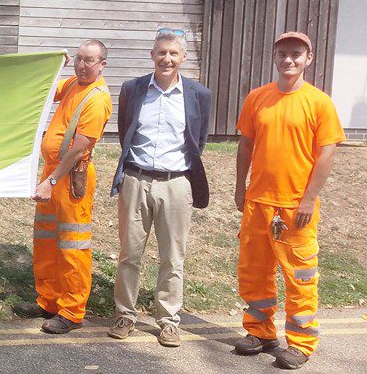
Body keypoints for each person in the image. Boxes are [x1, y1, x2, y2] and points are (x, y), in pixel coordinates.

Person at [233, 32, 345, 370]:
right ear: (274, 57)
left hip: (296, 206)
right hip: (258, 202)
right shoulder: (258, 98)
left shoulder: (319, 102)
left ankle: (300, 343)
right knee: (254, 271)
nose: (288, 60)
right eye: (282, 53)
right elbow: (246, 144)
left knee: (300, 276)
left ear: (308, 59)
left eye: (296, 54)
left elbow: (326, 154)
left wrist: (309, 200)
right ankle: (260, 332)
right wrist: (240, 188)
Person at [107, 30, 212, 347]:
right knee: (129, 253)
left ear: (183, 58)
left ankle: (168, 321)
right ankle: (125, 315)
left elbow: (198, 139)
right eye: (161, 52)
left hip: (176, 184)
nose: (167, 59)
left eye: (173, 53)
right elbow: (126, 131)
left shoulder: (198, 94)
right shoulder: (133, 89)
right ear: (152, 55)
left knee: (173, 257)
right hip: (136, 180)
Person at [14, 40, 113, 334]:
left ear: (102, 65)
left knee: (73, 245)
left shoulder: (97, 99)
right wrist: (52, 65)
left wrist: (52, 181)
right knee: (46, 241)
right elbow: (43, 88)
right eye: (79, 59)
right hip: (52, 174)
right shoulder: (72, 83)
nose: (82, 65)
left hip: (70, 179)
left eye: (89, 60)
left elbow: (79, 149)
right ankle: (48, 300)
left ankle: (72, 311)